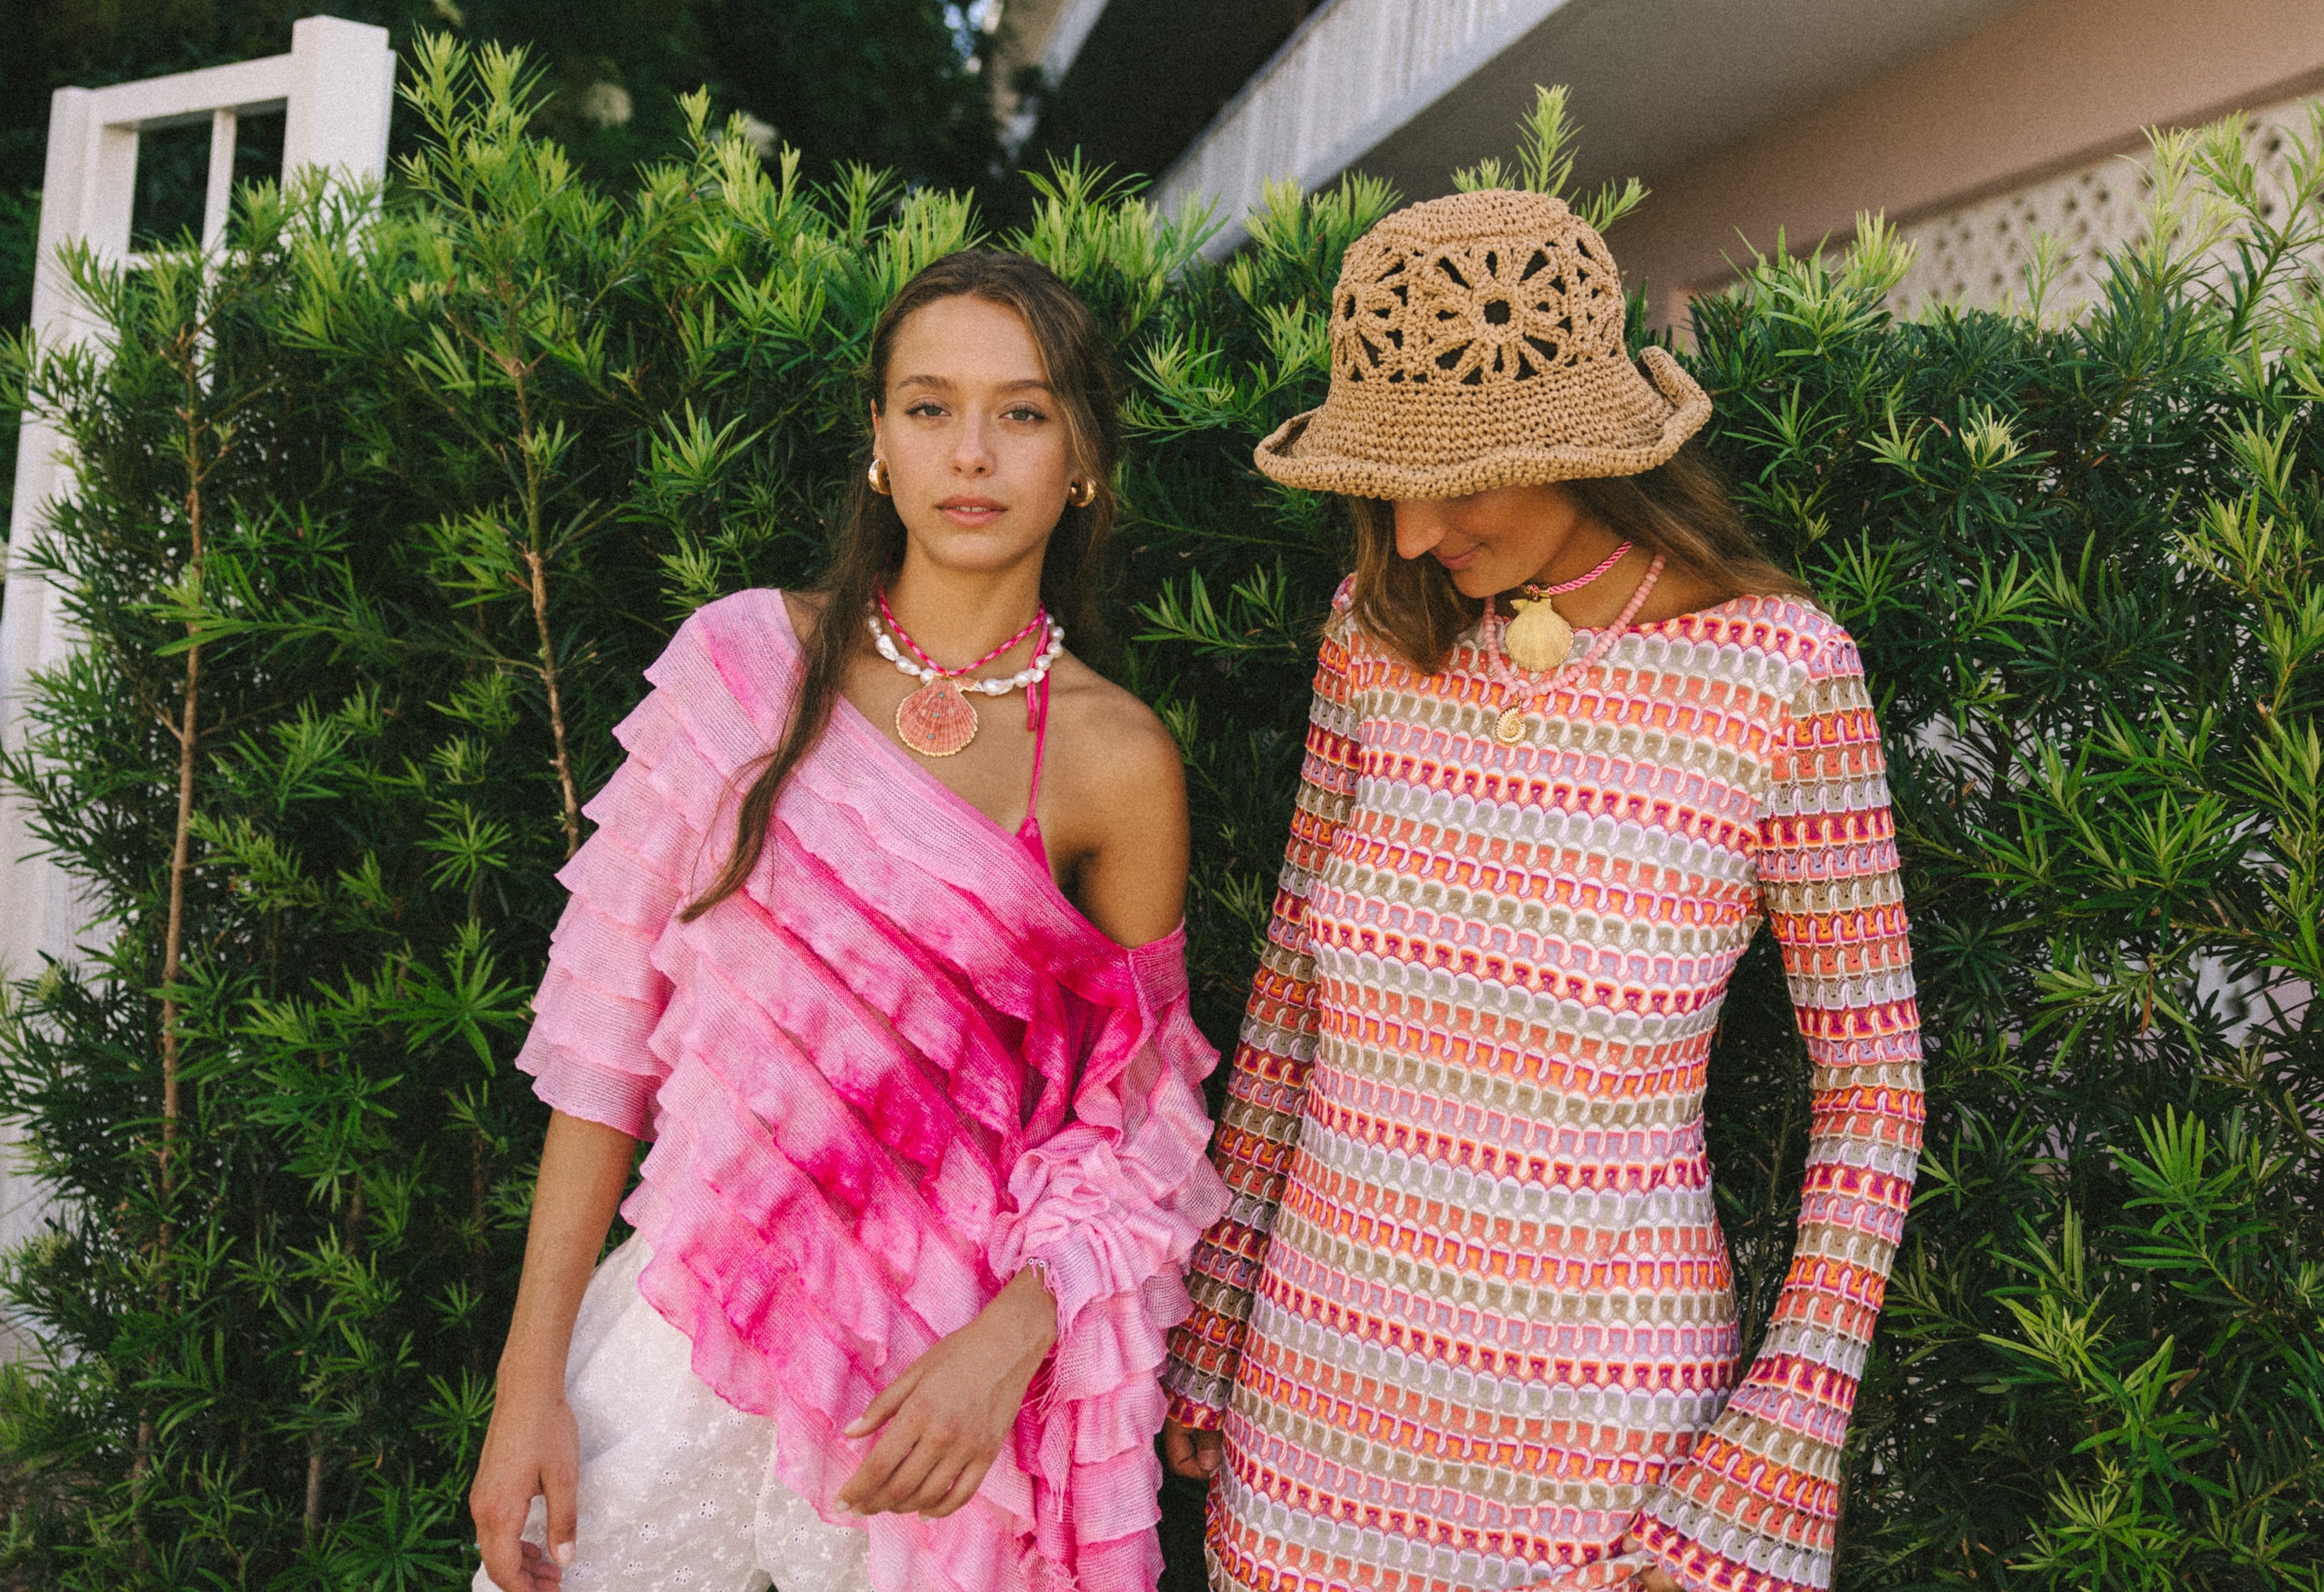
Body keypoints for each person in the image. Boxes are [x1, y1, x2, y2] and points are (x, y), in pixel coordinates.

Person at [1158, 190, 1924, 1592]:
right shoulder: (1372, 641)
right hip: (1310, 1413)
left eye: (1457, 481)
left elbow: (1874, 1085)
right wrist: (1215, 1294)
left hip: (1603, 1456)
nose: (1407, 536)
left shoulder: (1784, 678)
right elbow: (1290, 997)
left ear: (1581, 448)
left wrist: (1790, 1430)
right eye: (1390, 485)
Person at [469, 251, 1226, 1592]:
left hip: (935, 1414)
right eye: (929, 407)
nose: (972, 453)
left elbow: (1138, 1126)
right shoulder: (740, 667)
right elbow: (601, 1058)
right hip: (679, 1333)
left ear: (1086, 460)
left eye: (1026, 412)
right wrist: (528, 1382)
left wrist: (1007, 1347)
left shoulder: (1120, 762)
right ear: (878, 443)